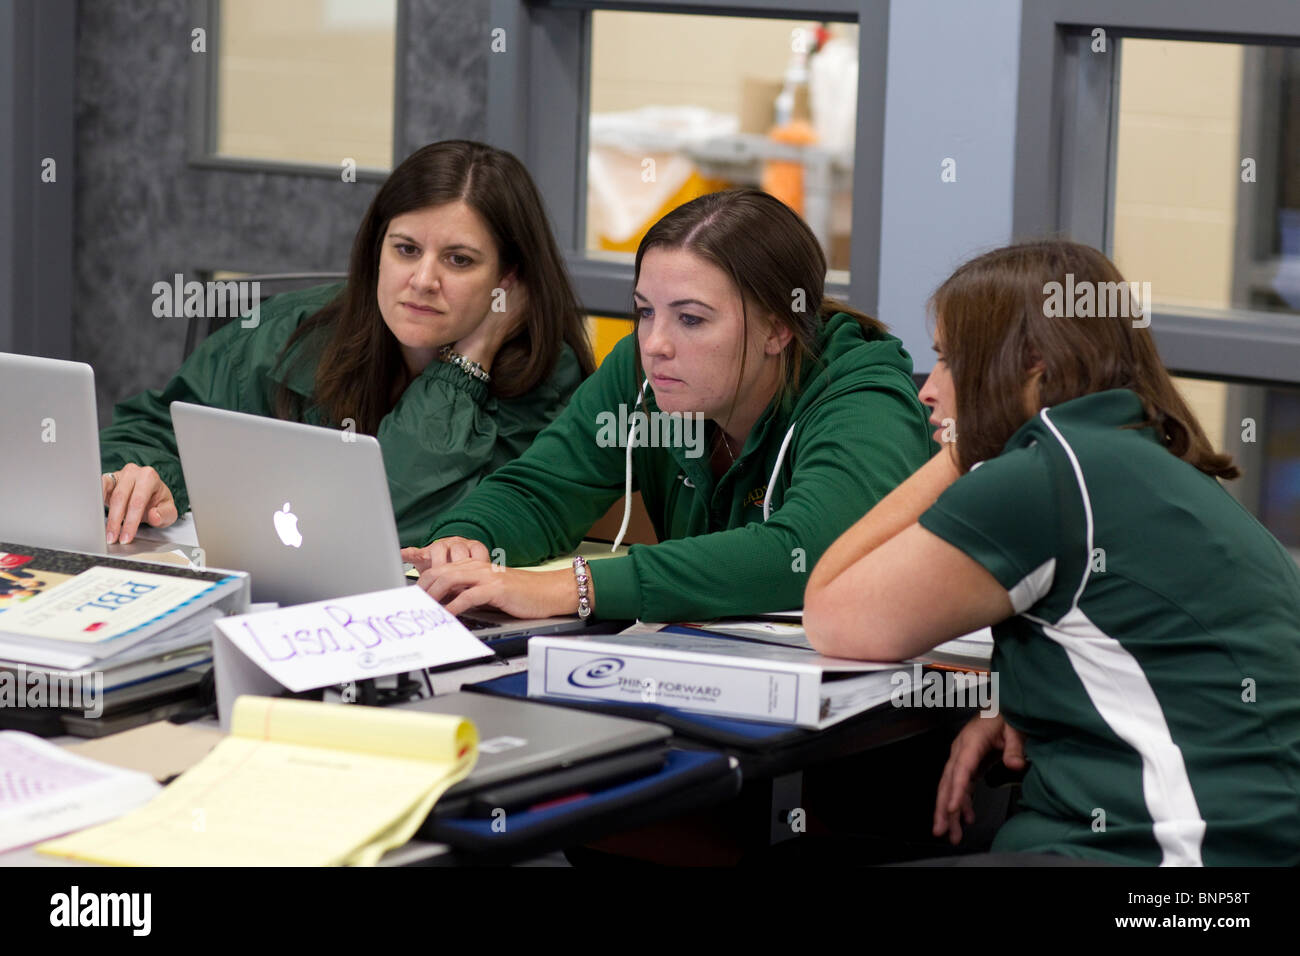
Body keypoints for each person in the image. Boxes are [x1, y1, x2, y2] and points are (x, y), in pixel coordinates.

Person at [803, 239, 1300, 865]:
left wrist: (966, 449)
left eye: (952, 361)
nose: (929, 390)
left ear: (1031, 364)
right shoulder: (1143, 458)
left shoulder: (1051, 473)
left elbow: (831, 612)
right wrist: (1016, 703)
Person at [403, 188, 934, 623]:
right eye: (645, 311)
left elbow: (808, 553)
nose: (654, 342)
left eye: (691, 319)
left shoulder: (863, 396)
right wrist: (467, 540)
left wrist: (577, 587)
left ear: (777, 328)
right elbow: (541, 490)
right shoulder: (644, 371)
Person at [98, 140, 595, 547]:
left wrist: (465, 367)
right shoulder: (290, 330)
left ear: (508, 278)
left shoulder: (545, 380)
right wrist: (151, 478)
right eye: (406, 249)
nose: (423, 279)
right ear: (376, 250)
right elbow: (154, 430)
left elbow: (389, 518)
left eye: (459, 260)